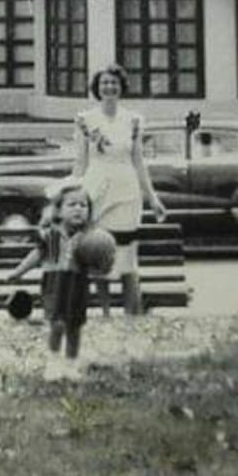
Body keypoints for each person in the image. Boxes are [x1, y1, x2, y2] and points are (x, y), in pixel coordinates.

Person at [72, 63, 166, 317]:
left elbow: (138, 161)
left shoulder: (134, 120)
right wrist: (72, 194)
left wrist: (153, 197)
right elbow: (80, 162)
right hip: (96, 189)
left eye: (113, 83)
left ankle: (131, 314)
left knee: (126, 257)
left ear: (121, 87)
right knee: (100, 252)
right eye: (104, 83)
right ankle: (104, 314)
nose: (109, 87)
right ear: (97, 88)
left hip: (126, 191)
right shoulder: (84, 120)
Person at [9, 182, 115, 360]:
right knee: (56, 324)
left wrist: (103, 266)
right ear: (58, 210)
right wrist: (19, 272)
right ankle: (54, 360)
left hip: (78, 285)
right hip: (55, 283)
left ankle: (71, 362)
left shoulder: (91, 237)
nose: (78, 209)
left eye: (83, 205)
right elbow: (38, 254)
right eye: (72, 205)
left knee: (74, 327)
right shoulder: (52, 235)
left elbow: (99, 265)